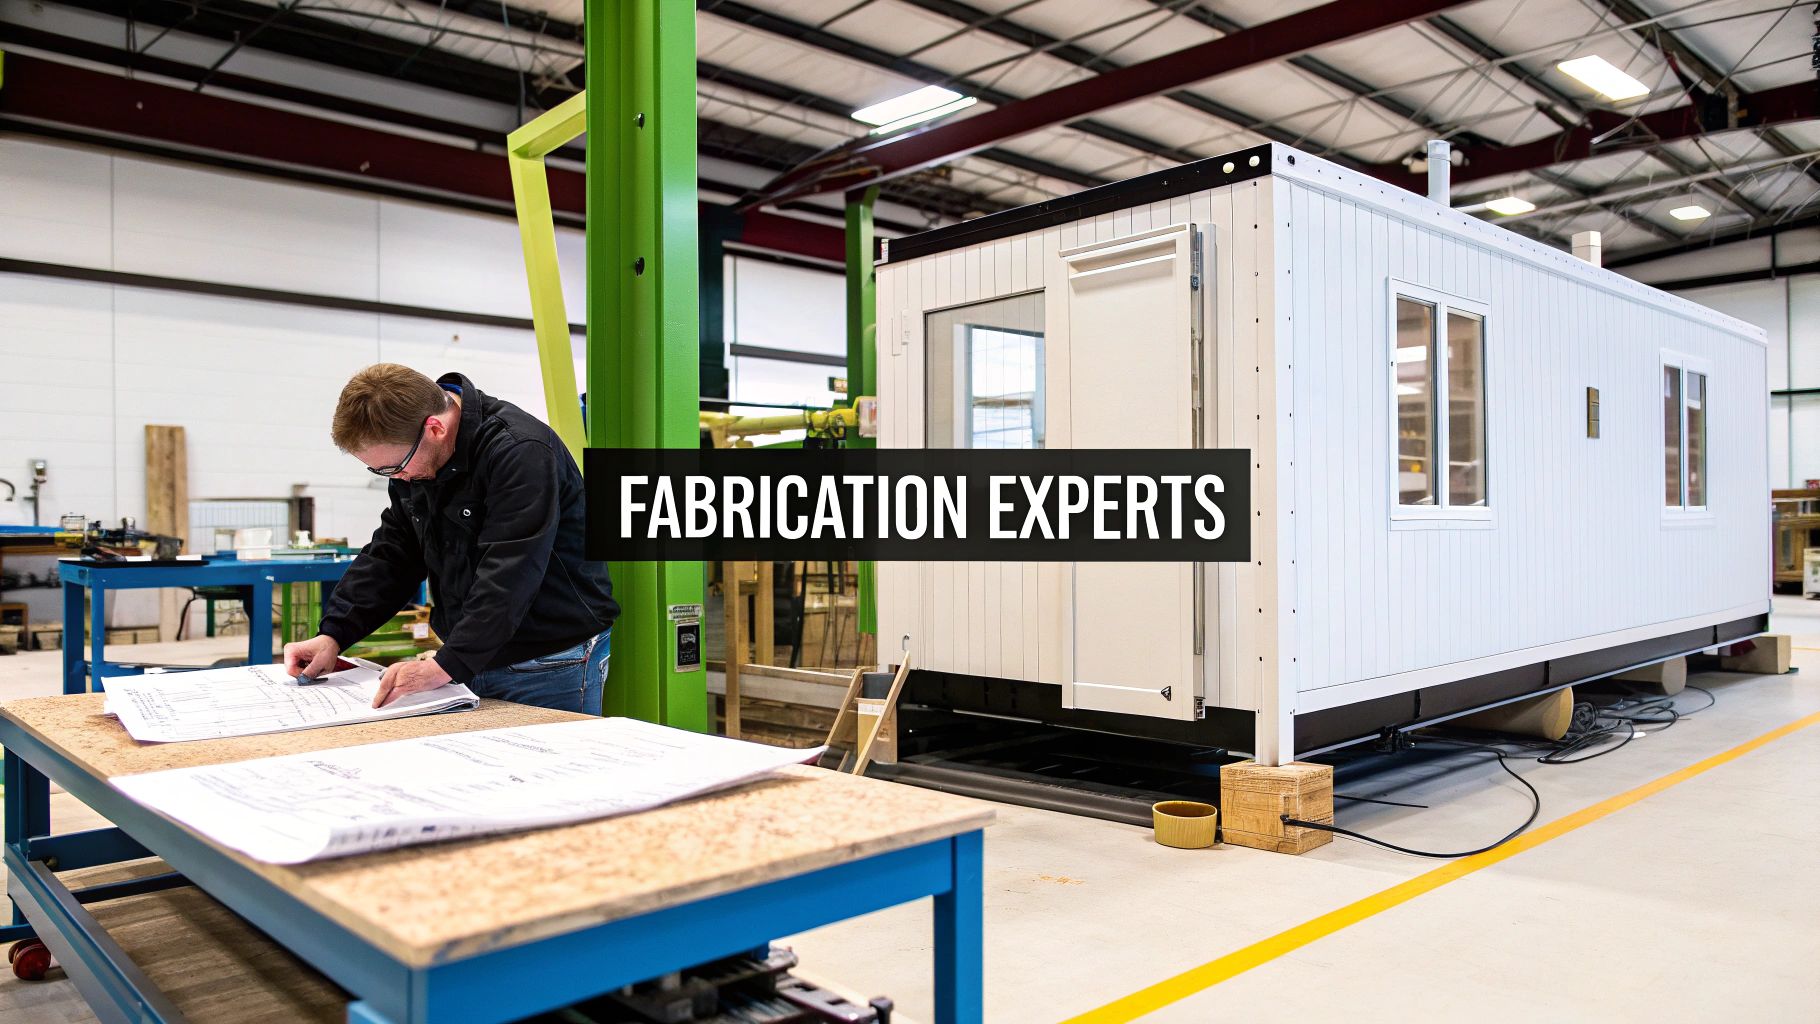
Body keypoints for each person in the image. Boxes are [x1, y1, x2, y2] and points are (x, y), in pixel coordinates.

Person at [284, 364, 617, 713]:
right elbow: (394, 551)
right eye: (382, 471)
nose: (398, 477)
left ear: (435, 428)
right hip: (470, 658)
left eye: (394, 467)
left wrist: (448, 664)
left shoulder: (520, 451)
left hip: (546, 661)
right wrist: (335, 633)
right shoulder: (417, 461)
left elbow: (510, 572)